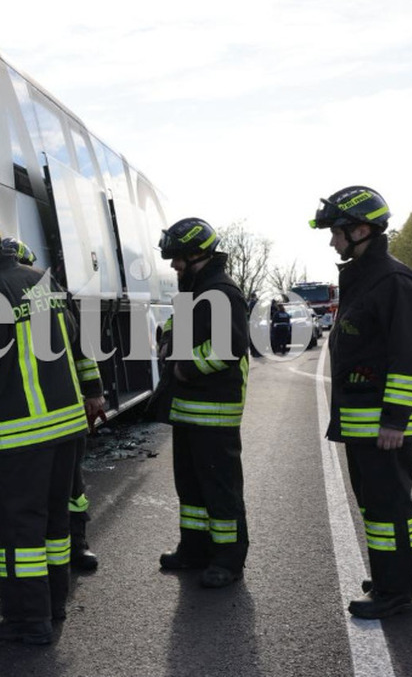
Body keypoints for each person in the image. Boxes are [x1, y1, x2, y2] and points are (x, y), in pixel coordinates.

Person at [0, 215, 106, 644]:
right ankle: (52, 608)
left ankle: (27, 624)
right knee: (53, 525)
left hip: (23, 434)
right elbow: (73, 340)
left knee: (19, 535)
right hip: (66, 428)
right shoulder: (40, 281)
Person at [310, 185, 412, 619]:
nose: (333, 240)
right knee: (382, 503)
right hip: (365, 420)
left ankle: (392, 591)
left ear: (362, 229)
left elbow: (409, 355)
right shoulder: (364, 277)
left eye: (338, 232)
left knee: (386, 508)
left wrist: (395, 420)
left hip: (384, 424)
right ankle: (409, 575)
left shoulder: (393, 280)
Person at [152, 217, 250, 588]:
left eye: (178, 258)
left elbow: (228, 348)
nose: (174, 265)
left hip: (214, 411)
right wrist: (167, 338)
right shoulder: (196, 290)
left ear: (197, 253)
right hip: (190, 411)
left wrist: (183, 370)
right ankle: (193, 550)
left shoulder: (222, 291)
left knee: (220, 493)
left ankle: (228, 559)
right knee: (191, 490)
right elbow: (180, 328)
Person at [1, 236, 101, 572]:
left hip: (65, 406)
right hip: (29, 411)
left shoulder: (57, 296)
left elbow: (82, 351)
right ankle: (37, 556)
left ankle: (77, 545)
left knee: (72, 486)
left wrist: (93, 392)